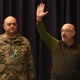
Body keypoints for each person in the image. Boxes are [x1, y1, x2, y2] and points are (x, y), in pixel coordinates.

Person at [36, 3, 80, 80]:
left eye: (67, 31)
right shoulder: (56, 44)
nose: (63, 33)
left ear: (73, 33)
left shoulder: (78, 49)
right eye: (62, 31)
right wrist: (39, 20)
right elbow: (44, 34)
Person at [0, 16, 36, 80]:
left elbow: (30, 65)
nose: (12, 26)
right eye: (9, 24)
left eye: (14, 24)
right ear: (4, 26)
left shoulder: (24, 42)